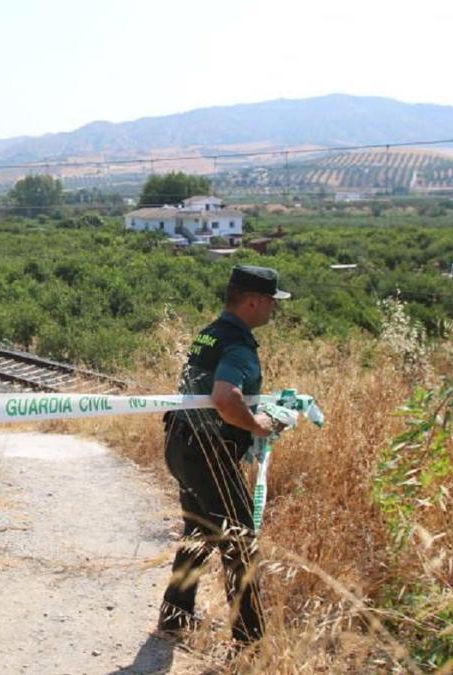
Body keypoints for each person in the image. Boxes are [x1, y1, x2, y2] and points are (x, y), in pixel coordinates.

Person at [157, 264, 290, 644]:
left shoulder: (211, 333)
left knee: (199, 531)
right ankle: (250, 643)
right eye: (272, 301)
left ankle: (175, 616)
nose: (275, 308)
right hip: (209, 454)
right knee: (241, 543)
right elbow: (225, 398)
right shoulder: (237, 345)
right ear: (253, 301)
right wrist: (257, 425)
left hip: (181, 443)